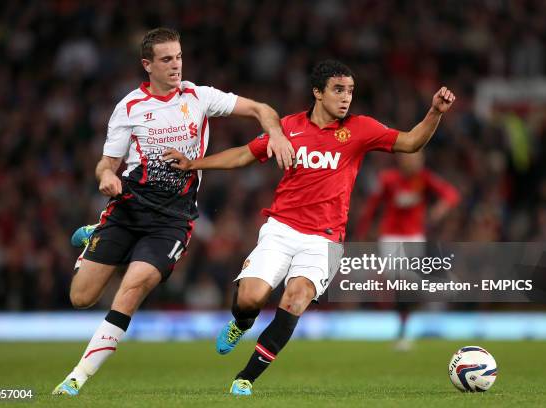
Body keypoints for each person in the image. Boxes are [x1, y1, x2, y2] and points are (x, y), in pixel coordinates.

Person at [163, 60, 456, 395]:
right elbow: (244, 154)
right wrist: (194, 163)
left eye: (350, 91)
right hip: (281, 229)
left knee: (296, 298)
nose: (346, 98)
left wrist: (435, 112)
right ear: (317, 92)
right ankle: (242, 322)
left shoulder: (360, 129)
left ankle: (245, 377)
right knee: (250, 298)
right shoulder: (287, 127)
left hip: (325, 240)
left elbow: (411, 142)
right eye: (338, 90)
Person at [52, 27, 294, 396]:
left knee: (131, 289)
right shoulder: (129, 107)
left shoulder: (199, 96)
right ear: (147, 65)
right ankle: (95, 235)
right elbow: (106, 163)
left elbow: (261, 109)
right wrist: (105, 178)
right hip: (126, 211)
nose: (176, 65)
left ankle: (76, 377)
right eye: (166, 59)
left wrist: (275, 134)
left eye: (179, 57)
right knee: (81, 297)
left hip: (172, 221)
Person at [355, 151, 460, 350]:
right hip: (391, 237)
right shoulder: (388, 179)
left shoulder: (424, 178)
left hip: (414, 238)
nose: (414, 162)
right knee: (400, 281)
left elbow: (452, 195)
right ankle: (430, 288)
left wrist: (440, 209)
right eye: (410, 158)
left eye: (418, 159)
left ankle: (404, 329)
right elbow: (371, 207)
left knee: (405, 284)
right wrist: (361, 232)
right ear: (401, 160)